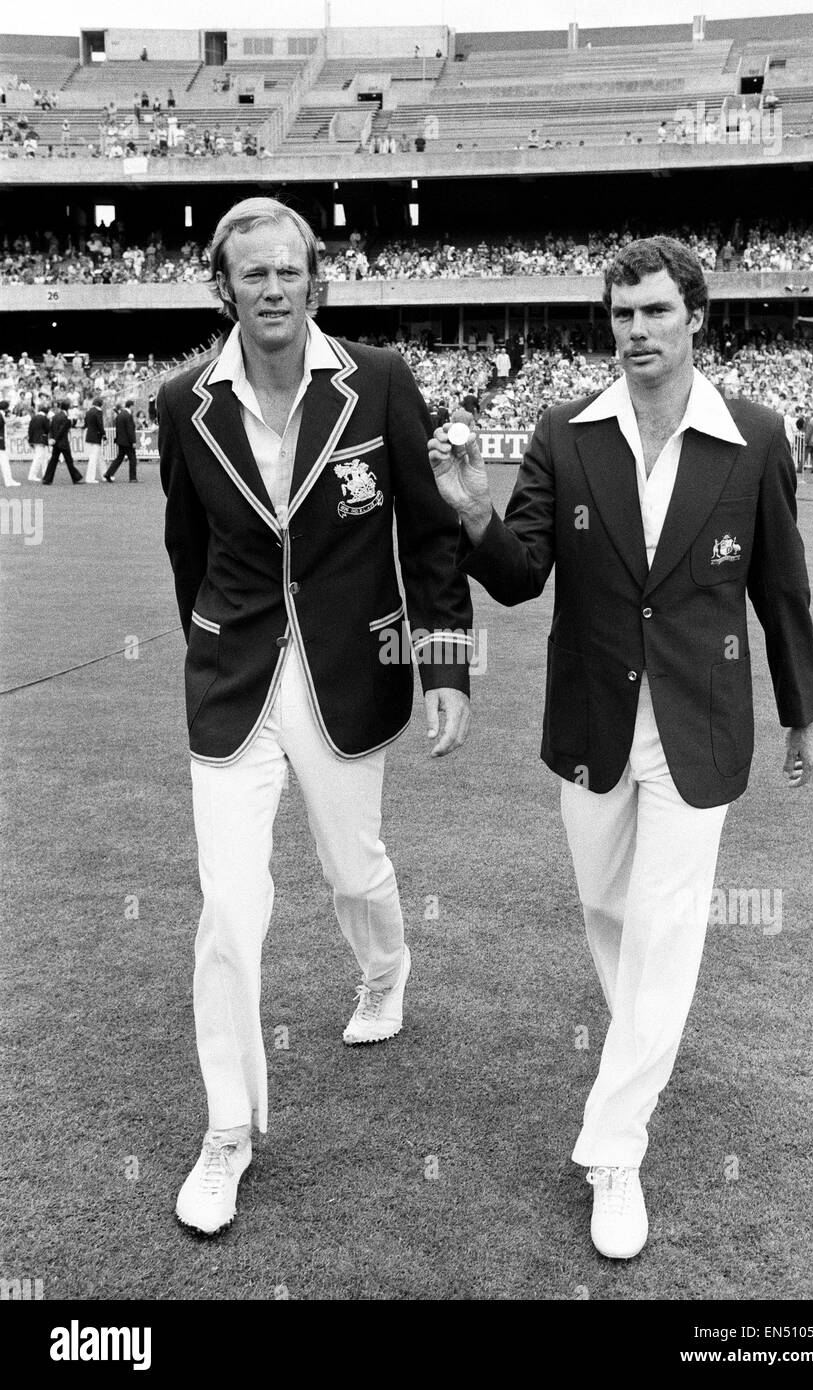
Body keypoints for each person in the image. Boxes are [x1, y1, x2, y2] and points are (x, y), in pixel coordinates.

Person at [428, 235, 813, 1261]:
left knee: (664, 929)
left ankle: (614, 1149)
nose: (636, 331)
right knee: (610, 913)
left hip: (699, 726)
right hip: (593, 726)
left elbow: (779, 585)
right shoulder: (565, 435)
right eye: (621, 314)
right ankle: (641, 1045)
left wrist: (803, 709)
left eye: (655, 311)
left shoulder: (755, 433)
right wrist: (474, 517)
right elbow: (520, 579)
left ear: (696, 316)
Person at [157, 197, 473, 1238]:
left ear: (316, 278)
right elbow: (186, 545)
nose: (275, 288)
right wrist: (211, 644)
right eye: (254, 274)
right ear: (225, 288)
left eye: (290, 270)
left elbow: (430, 531)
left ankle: (383, 968)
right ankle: (227, 1130)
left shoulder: (377, 381)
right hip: (234, 681)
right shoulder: (180, 404)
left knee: (352, 867)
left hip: (350, 666)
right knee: (229, 909)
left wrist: (444, 661)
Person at [43, 398, 82, 484]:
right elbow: (62, 430)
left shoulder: (55, 416)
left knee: (53, 461)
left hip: (56, 443)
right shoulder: (65, 417)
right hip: (63, 442)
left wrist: (53, 439)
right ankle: (76, 478)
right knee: (69, 461)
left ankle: (47, 479)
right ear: (67, 407)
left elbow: (52, 428)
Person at [104, 400, 138, 480]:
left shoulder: (120, 415)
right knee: (133, 459)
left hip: (120, 440)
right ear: (131, 406)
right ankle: (133, 478)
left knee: (119, 458)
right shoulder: (128, 415)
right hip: (128, 442)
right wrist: (133, 441)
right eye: (133, 406)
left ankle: (108, 473)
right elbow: (130, 430)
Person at [27, 395, 50, 481]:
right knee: (39, 458)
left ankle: (45, 474)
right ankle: (32, 475)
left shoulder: (34, 418)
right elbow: (48, 429)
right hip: (41, 440)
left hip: (34, 440)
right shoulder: (44, 418)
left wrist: (30, 441)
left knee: (42, 457)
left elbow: (30, 430)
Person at [83, 395, 106, 482]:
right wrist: (104, 436)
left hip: (89, 435)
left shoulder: (88, 411)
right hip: (96, 436)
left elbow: (85, 424)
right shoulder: (98, 412)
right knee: (94, 458)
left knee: (99, 457)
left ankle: (105, 475)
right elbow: (100, 424)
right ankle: (90, 478)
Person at [0, 400, 19, 486]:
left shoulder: (2, 415)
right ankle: (9, 481)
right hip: (1, 443)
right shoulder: (0, 416)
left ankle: (9, 481)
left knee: (5, 463)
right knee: (5, 463)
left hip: (2, 442)